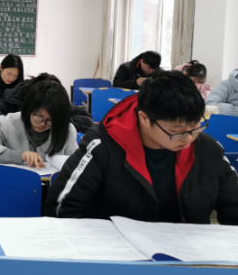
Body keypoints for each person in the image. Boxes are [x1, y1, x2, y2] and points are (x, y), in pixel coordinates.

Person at [45, 70, 238, 224]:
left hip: (186, 253)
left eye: (195, 126)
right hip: (118, 252)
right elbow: (62, 207)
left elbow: (234, 205)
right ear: (144, 118)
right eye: (176, 130)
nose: (188, 138)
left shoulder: (207, 150)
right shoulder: (103, 146)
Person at [0, 80, 78, 168]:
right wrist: (19, 156)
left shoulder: (67, 130)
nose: (43, 124)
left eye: (51, 121)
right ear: (28, 109)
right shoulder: (6, 123)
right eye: (38, 117)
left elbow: (77, 166)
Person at [0, 73, 94, 133]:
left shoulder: (58, 103)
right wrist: (14, 126)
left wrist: (57, 123)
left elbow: (86, 119)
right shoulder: (16, 98)